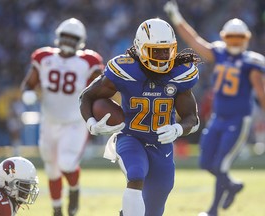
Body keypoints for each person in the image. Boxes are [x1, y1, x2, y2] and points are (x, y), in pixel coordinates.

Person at [79, 18, 200, 216]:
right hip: (131, 137)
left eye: (166, 50)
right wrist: (91, 124)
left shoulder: (180, 74)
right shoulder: (125, 70)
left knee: (152, 210)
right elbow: (87, 96)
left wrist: (178, 129)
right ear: (140, 48)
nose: (162, 56)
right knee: (135, 175)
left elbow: (192, 118)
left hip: (162, 146)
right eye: (155, 50)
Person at [164, 1, 265, 216]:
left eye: (239, 38)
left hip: (238, 120)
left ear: (246, 39)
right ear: (224, 37)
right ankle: (231, 184)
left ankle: (212, 211)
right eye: (232, 38)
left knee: (220, 164)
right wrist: (176, 18)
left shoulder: (251, 63)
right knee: (205, 162)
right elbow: (194, 40)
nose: (235, 42)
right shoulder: (218, 53)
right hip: (218, 118)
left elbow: (262, 94)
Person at [20, 18, 104, 216]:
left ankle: (74, 190)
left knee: (66, 163)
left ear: (80, 40)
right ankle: (57, 209)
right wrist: (28, 92)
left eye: (72, 37)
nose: (67, 41)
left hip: (75, 122)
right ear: (58, 37)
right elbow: (28, 84)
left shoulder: (89, 61)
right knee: (51, 168)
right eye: (65, 36)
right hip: (49, 121)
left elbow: (102, 89)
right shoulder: (43, 57)